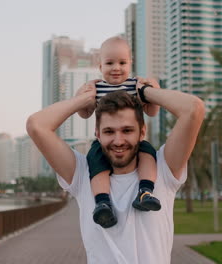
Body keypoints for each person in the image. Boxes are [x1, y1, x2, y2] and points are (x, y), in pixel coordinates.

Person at [26, 79, 204, 263]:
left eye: (127, 130)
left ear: (142, 132)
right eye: (109, 131)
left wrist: (145, 92)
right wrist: (84, 99)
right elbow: (36, 125)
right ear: (98, 134)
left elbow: (194, 109)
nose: (118, 141)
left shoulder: (164, 169)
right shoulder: (81, 174)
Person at [76, 36, 161, 228]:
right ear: (100, 66)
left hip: (135, 142)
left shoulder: (135, 85)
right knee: (96, 165)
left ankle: (145, 191)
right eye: (110, 63)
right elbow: (84, 113)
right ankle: (102, 202)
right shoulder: (96, 87)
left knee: (148, 154)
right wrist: (81, 94)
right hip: (104, 143)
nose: (116, 68)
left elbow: (152, 111)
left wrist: (153, 88)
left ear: (130, 64)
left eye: (122, 63)